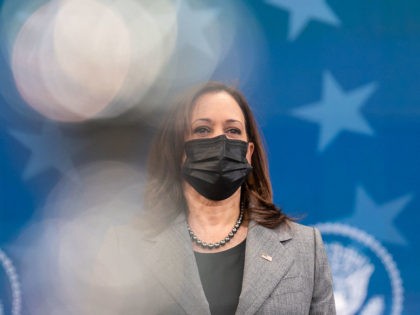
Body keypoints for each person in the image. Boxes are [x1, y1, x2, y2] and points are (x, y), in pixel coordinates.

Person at [89, 81, 336, 314]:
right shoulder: (125, 249)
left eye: (232, 130)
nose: (220, 141)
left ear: (249, 153)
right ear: (178, 149)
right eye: (203, 130)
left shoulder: (305, 248)